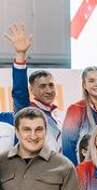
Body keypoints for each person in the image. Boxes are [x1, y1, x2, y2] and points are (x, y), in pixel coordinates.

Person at [6, 23, 64, 153]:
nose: (48, 90)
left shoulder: (59, 115)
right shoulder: (28, 110)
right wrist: (20, 55)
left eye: (51, 85)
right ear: (31, 90)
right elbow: (19, 91)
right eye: (42, 86)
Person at [62, 66, 97, 165]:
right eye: (91, 81)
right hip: (85, 170)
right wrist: (75, 171)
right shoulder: (76, 109)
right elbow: (67, 147)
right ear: (84, 85)